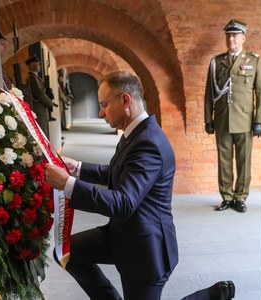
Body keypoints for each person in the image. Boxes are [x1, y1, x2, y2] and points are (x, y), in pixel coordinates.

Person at [44, 71, 178, 300]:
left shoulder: (148, 143)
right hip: (123, 234)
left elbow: (124, 203)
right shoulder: (134, 133)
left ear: (125, 100)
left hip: (146, 250)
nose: (100, 112)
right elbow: (117, 172)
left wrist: (68, 184)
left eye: (105, 104)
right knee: (66, 253)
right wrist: (78, 168)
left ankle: (211, 294)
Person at [204, 19, 261, 213]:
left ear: (243, 38)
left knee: (243, 160)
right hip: (223, 119)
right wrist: (208, 118)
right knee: (224, 161)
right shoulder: (217, 62)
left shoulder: (254, 61)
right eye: (228, 35)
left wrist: (259, 121)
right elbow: (208, 94)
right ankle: (227, 197)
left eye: (235, 35)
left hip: (245, 120)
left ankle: (240, 197)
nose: (231, 39)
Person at [25, 54, 53, 137]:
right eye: (38, 63)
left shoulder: (36, 77)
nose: (39, 65)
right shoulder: (32, 78)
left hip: (42, 110)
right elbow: (40, 94)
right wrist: (50, 103)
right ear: (32, 65)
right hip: (38, 111)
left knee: (45, 132)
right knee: (42, 134)